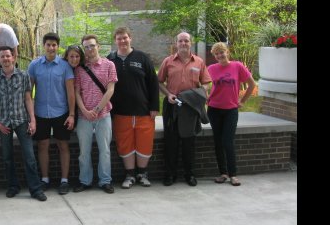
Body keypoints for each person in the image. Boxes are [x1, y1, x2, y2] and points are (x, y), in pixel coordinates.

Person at [0, 46, 47, 201]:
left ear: (13, 57)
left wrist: (32, 120)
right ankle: (13, 186)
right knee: (7, 157)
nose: (6, 59)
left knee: (29, 157)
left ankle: (35, 189)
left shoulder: (23, 76)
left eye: (8, 56)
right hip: (4, 124)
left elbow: (28, 99)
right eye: (2, 57)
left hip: (22, 120)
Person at [107, 27, 159, 188]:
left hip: (143, 111)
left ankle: (142, 173)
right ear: (115, 40)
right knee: (125, 143)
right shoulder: (110, 59)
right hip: (120, 112)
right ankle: (129, 175)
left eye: (125, 38)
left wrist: (154, 106)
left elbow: (153, 83)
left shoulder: (142, 57)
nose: (122, 41)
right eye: (119, 38)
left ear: (131, 38)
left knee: (144, 143)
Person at [158, 32, 212, 186]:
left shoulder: (199, 62)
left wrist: (198, 93)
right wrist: (168, 94)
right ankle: (170, 174)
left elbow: (207, 82)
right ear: (176, 43)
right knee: (171, 142)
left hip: (190, 107)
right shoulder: (168, 62)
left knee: (189, 142)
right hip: (172, 105)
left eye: (186, 41)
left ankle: (190, 174)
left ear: (191, 43)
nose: (183, 43)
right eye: (180, 41)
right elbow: (159, 82)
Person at [28, 32, 75, 195]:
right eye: (48, 44)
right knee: (42, 145)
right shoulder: (34, 65)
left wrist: (72, 114)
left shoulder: (65, 66)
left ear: (57, 46)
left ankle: (64, 180)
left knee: (63, 145)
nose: (51, 47)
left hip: (61, 112)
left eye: (54, 45)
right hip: (40, 112)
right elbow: (29, 91)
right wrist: (31, 115)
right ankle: (45, 179)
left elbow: (70, 92)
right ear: (44, 46)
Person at [73, 34, 117, 194]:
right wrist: (84, 110)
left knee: (104, 150)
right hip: (84, 117)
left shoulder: (109, 65)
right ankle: (85, 181)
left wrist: (97, 109)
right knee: (84, 152)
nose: (90, 49)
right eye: (86, 47)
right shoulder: (79, 68)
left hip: (104, 114)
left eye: (92, 45)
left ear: (98, 46)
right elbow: (76, 92)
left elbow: (111, 89)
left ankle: (105, 181)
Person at [207, 42, 256, 187]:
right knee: (217, 142)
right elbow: (201, 84)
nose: (220, 55)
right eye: (217, 54)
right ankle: (223, 173)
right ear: (214, 56)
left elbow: (252, 84)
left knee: (227, 142)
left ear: (227, 52)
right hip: (214, 109)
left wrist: (242, 101)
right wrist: (206, 96)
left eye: (222, 52)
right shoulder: (210, 69)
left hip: (231, 110)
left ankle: (233, 175)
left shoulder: (237, 66)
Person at [63, 44, 85, 128]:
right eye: (71, 56)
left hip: (80, 105)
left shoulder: (84, 69)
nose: (74, 59)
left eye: (77, 56)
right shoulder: (62, 68)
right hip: (64, 105)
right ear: (67, 57)